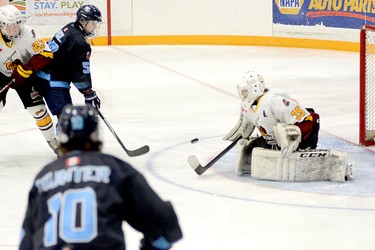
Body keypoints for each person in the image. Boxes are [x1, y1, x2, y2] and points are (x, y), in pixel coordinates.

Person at [19, 104, 183, 250]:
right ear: (96, 136)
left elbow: (25, 241)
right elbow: (166, 226)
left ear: (61, 138)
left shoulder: (44, 177)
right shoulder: (116, 169)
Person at [224, 70, 354, 182]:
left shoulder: (274, 100)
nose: (243, 95)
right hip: (276, 140)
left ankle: (329, 163)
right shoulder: (246, 106)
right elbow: (247, 126)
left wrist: (293, 140)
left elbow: (307, 119)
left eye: (245, 91)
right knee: (252, 147)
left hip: (303, 133)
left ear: (256, 88)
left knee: (285, 136)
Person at [0, 4, 57, 154]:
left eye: (17, 25)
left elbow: (46, 54)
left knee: (39, 110)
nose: (15, 29)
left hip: (24, 77)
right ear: (1, 25)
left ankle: (54, 142)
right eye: (10, 26)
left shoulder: (28, 33)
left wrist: (26, 69)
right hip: (1, 75)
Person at [35, 4, 102, 119]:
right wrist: (88, 92)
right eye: (93, 24)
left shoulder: (70, 27)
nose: (95, 28)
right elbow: (80, 72)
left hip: (43, 75)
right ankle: (62, 137)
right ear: (83, 21)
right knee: (66, 118)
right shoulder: (81, 43)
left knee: (65, 117)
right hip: (53, 80)